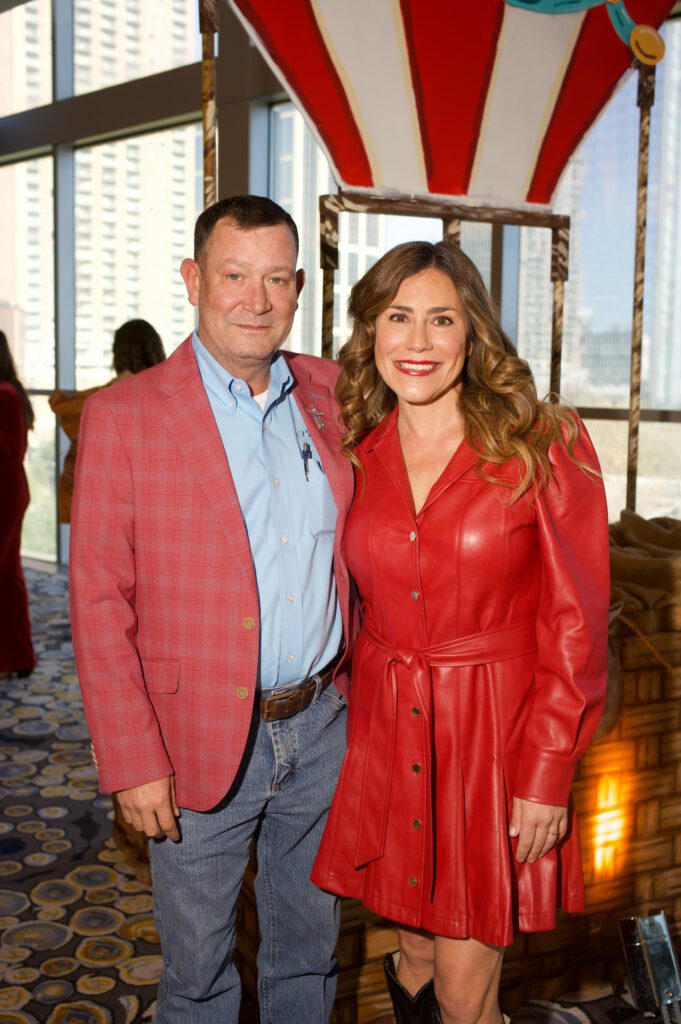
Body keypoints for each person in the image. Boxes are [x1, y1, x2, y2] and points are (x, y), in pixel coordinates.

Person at [69, 195, 357, 1023]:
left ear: (298, 287)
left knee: (308, 957)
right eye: (234, 275)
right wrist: (131, 759)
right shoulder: (125, 416)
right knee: (198, 976)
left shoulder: (331, 395)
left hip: (321, 728)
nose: (255, 299)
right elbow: (96, 598)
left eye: (274, 279)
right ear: (195, 279)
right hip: (191, 739)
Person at [311, 240, 609, 1024]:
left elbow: (575, 627)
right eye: (396, 317)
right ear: (368, 332)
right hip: (387, 733)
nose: (416, 341)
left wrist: (545, 771)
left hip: (490, 741)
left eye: (439, 319)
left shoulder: (542, 443)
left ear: (471, 334)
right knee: (409, 951)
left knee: (462, 985)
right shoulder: (356, 452)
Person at [49, 319, 165, 523]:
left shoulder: (100, 399)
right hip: (154, 502)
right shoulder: (168, 395)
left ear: (117, 354)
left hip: (105, 505)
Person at [0, 330, 36, 678]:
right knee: (8, 576)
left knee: (6, 576)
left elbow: (9, 449)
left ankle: (15, 658)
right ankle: (18, 659)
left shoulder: (5, 394)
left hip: (6, 490)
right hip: (8, 488)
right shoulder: (9, 392)